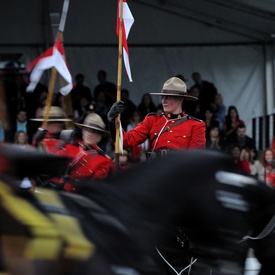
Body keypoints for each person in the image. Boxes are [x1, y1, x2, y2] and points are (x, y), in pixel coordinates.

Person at [107, 77, 206, 159]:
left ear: (180, 99)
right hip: (154, 172)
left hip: (178, 175)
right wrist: (112, 121)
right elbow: (126, 140)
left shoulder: (195, 125)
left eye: (168, 97)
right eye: (163, 97)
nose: (164, 101)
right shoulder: (152, 120)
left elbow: (195, 159)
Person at [55, 113, 114, 192]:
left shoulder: (104, 161)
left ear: (99, 137)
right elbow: (52, 162)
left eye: (94, 132)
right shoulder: (71, 146)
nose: (90, 134)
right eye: (87, 130)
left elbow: (93, 187)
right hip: (60, 192)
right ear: (82, 132)